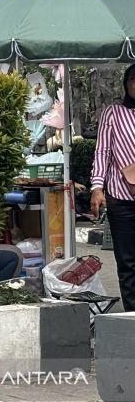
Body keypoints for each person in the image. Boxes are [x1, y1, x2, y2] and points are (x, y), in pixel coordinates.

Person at [92, 64, 135, 312]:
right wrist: (98, 187)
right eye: (132, 79)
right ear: (125, 84)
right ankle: (132, 316)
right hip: (121, 198)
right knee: (128, 263)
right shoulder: (113, 113)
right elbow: (102, 152)